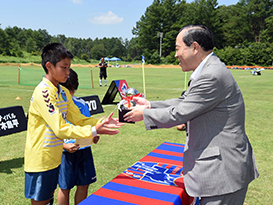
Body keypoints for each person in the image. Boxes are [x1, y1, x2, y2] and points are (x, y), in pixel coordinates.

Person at [124, 25, 259, 205]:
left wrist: (144, 114)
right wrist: (150, 104)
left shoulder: (211, 75)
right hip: (220, 169)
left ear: (195, 48)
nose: (175, 55)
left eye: (178, 48)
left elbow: (180, 113)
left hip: (222, 173)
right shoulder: (209, 69)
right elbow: (185, 100)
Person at [24, 42, 123, 205]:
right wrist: (92, 131)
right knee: (41, 202)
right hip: (40, 161)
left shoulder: (62, 91)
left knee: (48, 199)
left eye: (69, 67)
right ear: (49, 66)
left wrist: (101, 122)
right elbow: (60, 128)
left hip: (54, 159)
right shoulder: (43, 92)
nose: (67, 72)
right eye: (64, 67)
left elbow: (78, 118)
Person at [58, 68, 99, 205]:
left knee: (84, 185)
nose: (69, 94)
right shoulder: (55, 107)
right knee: (65, 187)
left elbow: (87, 126)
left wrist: (93, 136)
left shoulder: (82, 104)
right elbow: (51, 133)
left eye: (72, 90)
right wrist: (64, 146)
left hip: (84, 151)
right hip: (65, 153)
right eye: (65, 90)